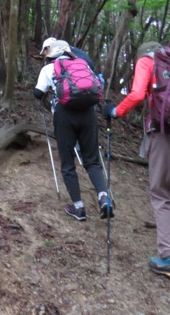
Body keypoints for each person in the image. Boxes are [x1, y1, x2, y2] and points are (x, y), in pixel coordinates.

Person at [102, 41, 170, 290]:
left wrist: (115, 112)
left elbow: (138, 94)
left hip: (165, 134)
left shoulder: (149, 61)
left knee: (162, 194)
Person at [34, 40, 114, 221]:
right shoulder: (82, 64)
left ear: (51, 53)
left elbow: (38, 93)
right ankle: (103, 198)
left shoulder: (49, 69)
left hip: (64, 115)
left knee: (68, 162)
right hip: (88, 113)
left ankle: (78, 207)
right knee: (92, 161)